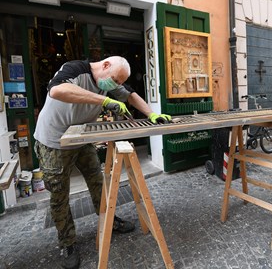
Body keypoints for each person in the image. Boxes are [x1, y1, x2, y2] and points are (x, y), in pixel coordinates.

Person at [33, 56, 171, 269]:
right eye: (115, 80)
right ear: (105, 65)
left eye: (118, 83)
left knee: (99, 183)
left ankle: (109, 221)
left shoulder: (110, 80)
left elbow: (131, 95)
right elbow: (57, 91)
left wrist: (152, 114)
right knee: (60, 195)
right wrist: (105, 101)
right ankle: (67, 243)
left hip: (82, 138)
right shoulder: (74, 69)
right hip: (54, 142)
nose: (115, 86)